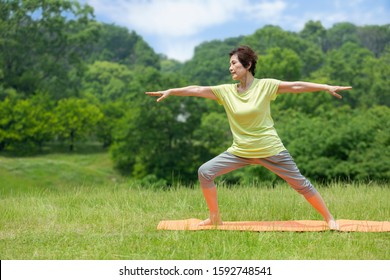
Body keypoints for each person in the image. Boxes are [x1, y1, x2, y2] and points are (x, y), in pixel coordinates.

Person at [146, 45, 352, 230]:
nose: (230, 68)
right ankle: (215, 218)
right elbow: (198, 90)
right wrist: (172, 91)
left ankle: (329, 218)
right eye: (230, 64)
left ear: (248, 64)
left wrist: (326, 87)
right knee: (205, 172)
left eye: (234, 63)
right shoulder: (226, 92)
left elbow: (296, 86)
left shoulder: (265, 86)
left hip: (270, 150)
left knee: (300, 184)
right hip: (240, 151)